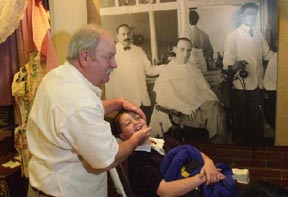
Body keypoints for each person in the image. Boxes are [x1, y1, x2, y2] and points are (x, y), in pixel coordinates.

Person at [26, 24, 152, 197]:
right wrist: (136, 140)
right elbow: (107, 159)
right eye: (109, 57)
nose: (114, 64)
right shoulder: (80, 102)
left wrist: (118, 103)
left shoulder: (57, 76)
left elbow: (75, 116)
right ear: (85, 57)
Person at [112, 109, 226, 197]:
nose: (136, 122)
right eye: (128, 123)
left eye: (137, 117)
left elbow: (192, 151)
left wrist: (209, 163)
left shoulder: (165, 141)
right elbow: (165, 191)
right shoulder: (138, 160)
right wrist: (204, 177)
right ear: (122, 136)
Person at [150, 37, 230, 144]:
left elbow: (204, 90)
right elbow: (163, 98)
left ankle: (218, 145)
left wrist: (206, 103)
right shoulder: (167, 71)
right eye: (182, 50)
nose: (185, 54)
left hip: (196, 107)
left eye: (188, 51)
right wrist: (186, 106)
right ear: (175, 49)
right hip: (179, 111)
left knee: (216, 108)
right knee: (215, 117)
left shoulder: (193, 69)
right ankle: (218, 144)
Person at [223, 2, 275, 144]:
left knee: (257, 119)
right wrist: (237, 64)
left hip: (257, 84)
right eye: (249, 14)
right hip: (242, 86)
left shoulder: (258, 34)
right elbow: (227, 61)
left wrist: (281, 59)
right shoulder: (233, 36)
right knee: (242, 121)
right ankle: (243, 150)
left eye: (254, 14)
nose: (252, 17)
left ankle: (257, 148)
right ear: (242, 16)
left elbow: (267, 54)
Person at [105, 24, 163, 124]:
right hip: (125, 103)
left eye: (128, 33)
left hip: (143, 101)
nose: (126, 37)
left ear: (132, 34)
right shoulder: (111, 53)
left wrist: (166, 67)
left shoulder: (139, 51)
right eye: (123, 34)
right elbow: (108, 81)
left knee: (145, 131)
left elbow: (149, 70)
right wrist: (112, 105)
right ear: (117, 36)